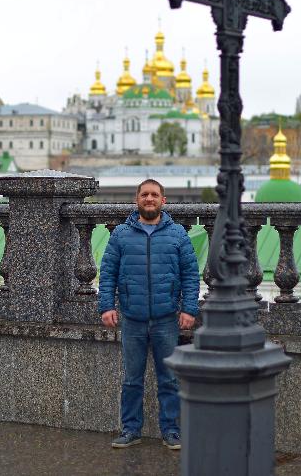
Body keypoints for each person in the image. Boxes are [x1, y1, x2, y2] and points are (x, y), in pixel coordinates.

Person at [98, 178, 199, 450]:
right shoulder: (120, 234)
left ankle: (171, 431)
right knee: (132, 379)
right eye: (145, 195)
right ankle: (131, 429)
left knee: (169, 378)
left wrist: (189, 309)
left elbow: (191, 275)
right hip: (132, 319)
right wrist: (107, 305)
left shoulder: (177, 234)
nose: (150, 199)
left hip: (166, 319)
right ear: (137, 200)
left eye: (155, 195)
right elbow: (107, 273)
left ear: (163, 201)